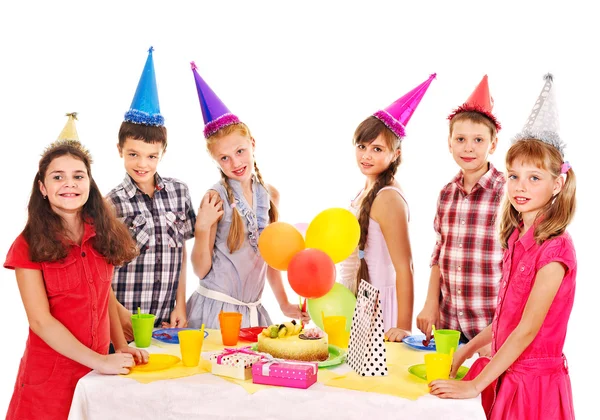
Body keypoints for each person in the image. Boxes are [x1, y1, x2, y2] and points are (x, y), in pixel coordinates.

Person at [430, 74, 576, 420]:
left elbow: (527, 329)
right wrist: (468, 351)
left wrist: (475, 384)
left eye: (534, 178)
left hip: (532, 385)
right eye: (514, 175)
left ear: (557, 184)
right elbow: (505, 320)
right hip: (508, 373)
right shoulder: (516, 240)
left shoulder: (556, 250)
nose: (520, 187)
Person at [3, 114, 148, 420]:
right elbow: (41, 322)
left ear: (89, 183)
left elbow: (103, 293)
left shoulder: (103, 232)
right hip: (50, 382)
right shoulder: (26, 245)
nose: (69, 183)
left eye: (78, 176)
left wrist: (119, 347)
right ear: (43, 187)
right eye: (58, 177)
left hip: (96, 376)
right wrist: (99, 360)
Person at [186, 62, 308, 329]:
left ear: (252, 144)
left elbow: (272, 257)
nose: (235, 162)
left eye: (240, 151)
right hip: (216, 312)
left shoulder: (270, 195)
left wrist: (285, 303)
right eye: (224, 158)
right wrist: (202, 227)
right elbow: (200, 269)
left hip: (252, 312)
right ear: (215, 160)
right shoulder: (215, 197)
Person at [107, 48, 196, 338]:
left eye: (151, 156)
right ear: (119, 150)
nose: (142, 164)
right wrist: (117, 320)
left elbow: (181, 251)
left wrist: (179, 304)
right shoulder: (111, 203)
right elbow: (101, 269)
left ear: (163, 153)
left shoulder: (179, 192)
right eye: (133, 154)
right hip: (126, 324)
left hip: (167, 323)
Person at [339, 74, 436, 342]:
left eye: (377, 148)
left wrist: (403, 327)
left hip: (379, 305)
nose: (366, 155)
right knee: (351, 380)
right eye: (362, 146)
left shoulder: (388, 198)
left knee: (375, 380)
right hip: (360, 300)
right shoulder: (365, 191)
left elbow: (405, 266)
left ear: (396, 154)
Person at [416, 75, 505, 355]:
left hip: (491, 323)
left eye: (478, 140)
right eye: (461, 139)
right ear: (449, 143)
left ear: (492, 144)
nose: (468, 147)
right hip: (449, 323)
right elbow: (439, 252)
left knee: (487, 394)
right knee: (446, 389)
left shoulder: (508, 193)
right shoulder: (446, 194)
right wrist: (431, 303)